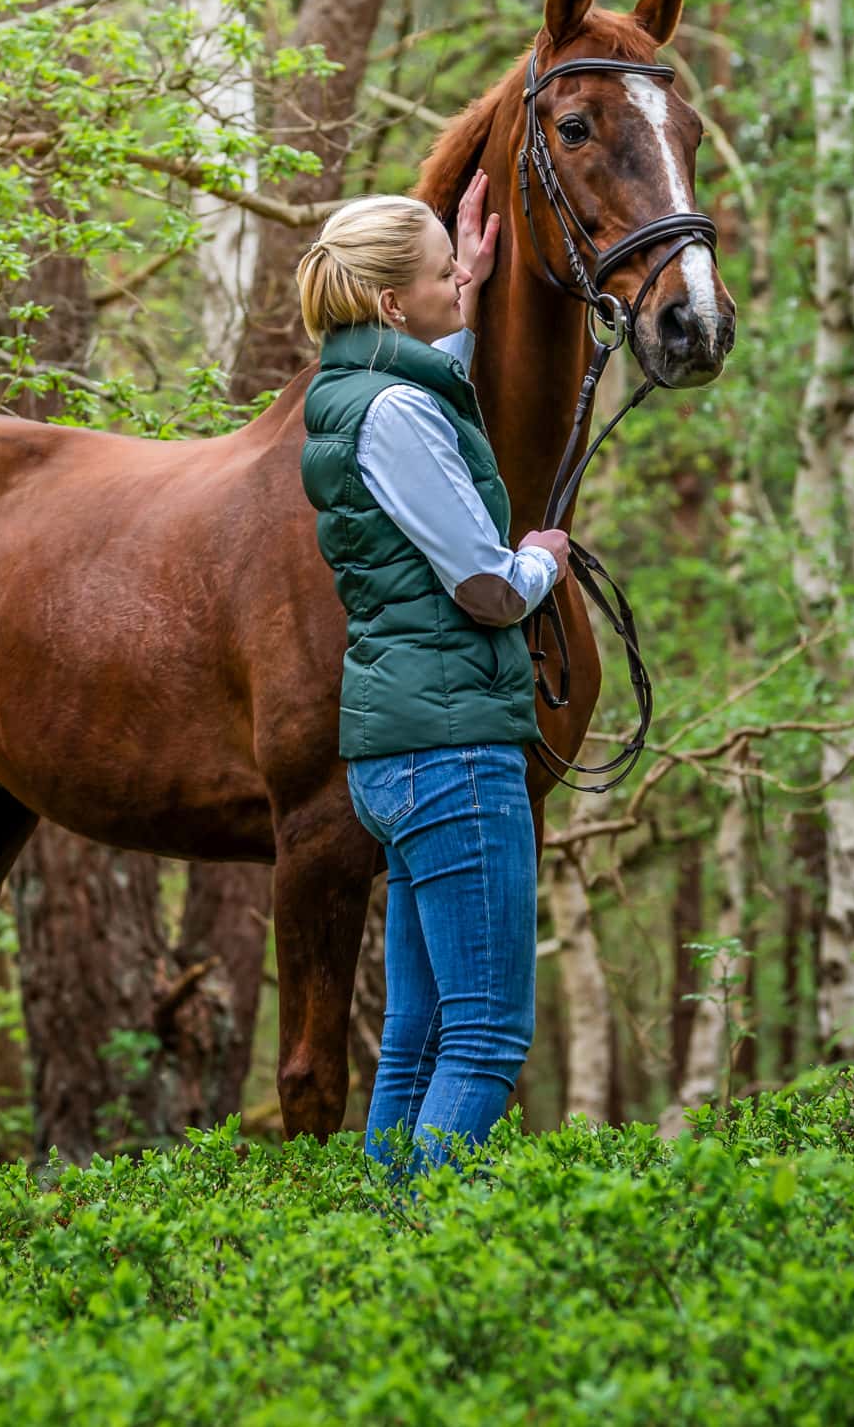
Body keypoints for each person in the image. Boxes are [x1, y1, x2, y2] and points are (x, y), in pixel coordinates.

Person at [294, 170, 571, 1181]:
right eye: (437, 272)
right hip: (453, 753)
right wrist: (543, 557)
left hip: (402, 754)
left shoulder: (353, 393)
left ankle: (377, 1254)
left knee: (415, 1036)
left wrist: (471, 287)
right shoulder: (395, 418)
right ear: (385, 304)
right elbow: (483, 586)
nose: (457, 273)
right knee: (489, 1036)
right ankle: (422, 1259)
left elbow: (419, 403)